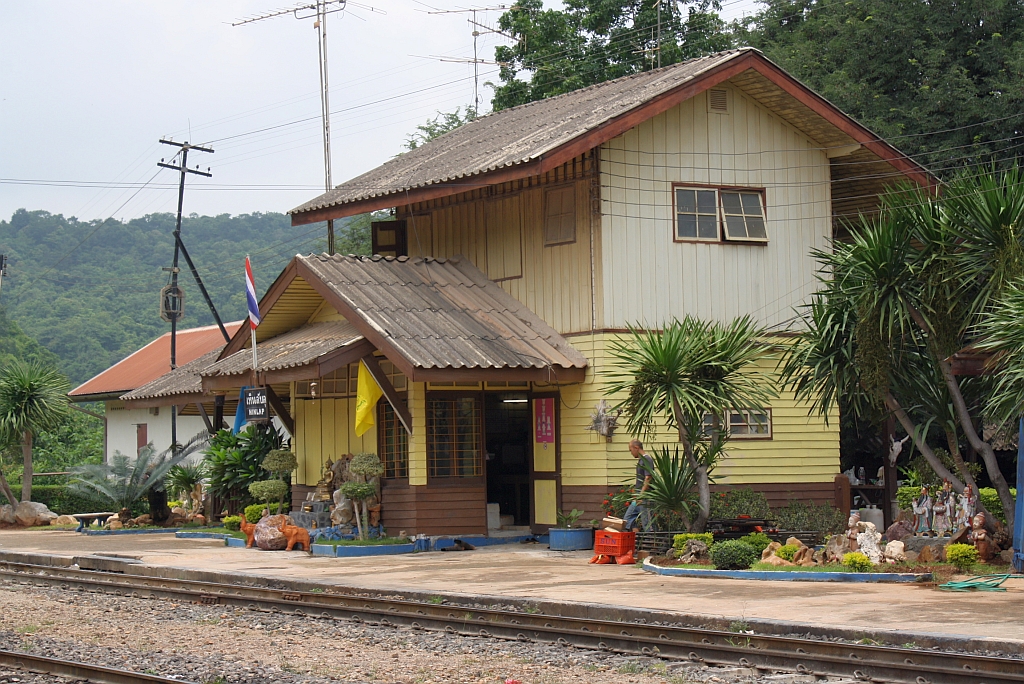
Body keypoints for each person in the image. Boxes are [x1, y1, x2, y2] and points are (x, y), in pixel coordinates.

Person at [623, 439, 654, 532]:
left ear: (636, 448)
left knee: (647, 522)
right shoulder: (641, 460)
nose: (631, 452)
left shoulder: (647, 459)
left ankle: (652, 543)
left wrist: (641, 495)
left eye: (630, 450)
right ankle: (636, 540)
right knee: (628, 519)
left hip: (645, 496)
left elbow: (648, 478)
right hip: (638, 497)